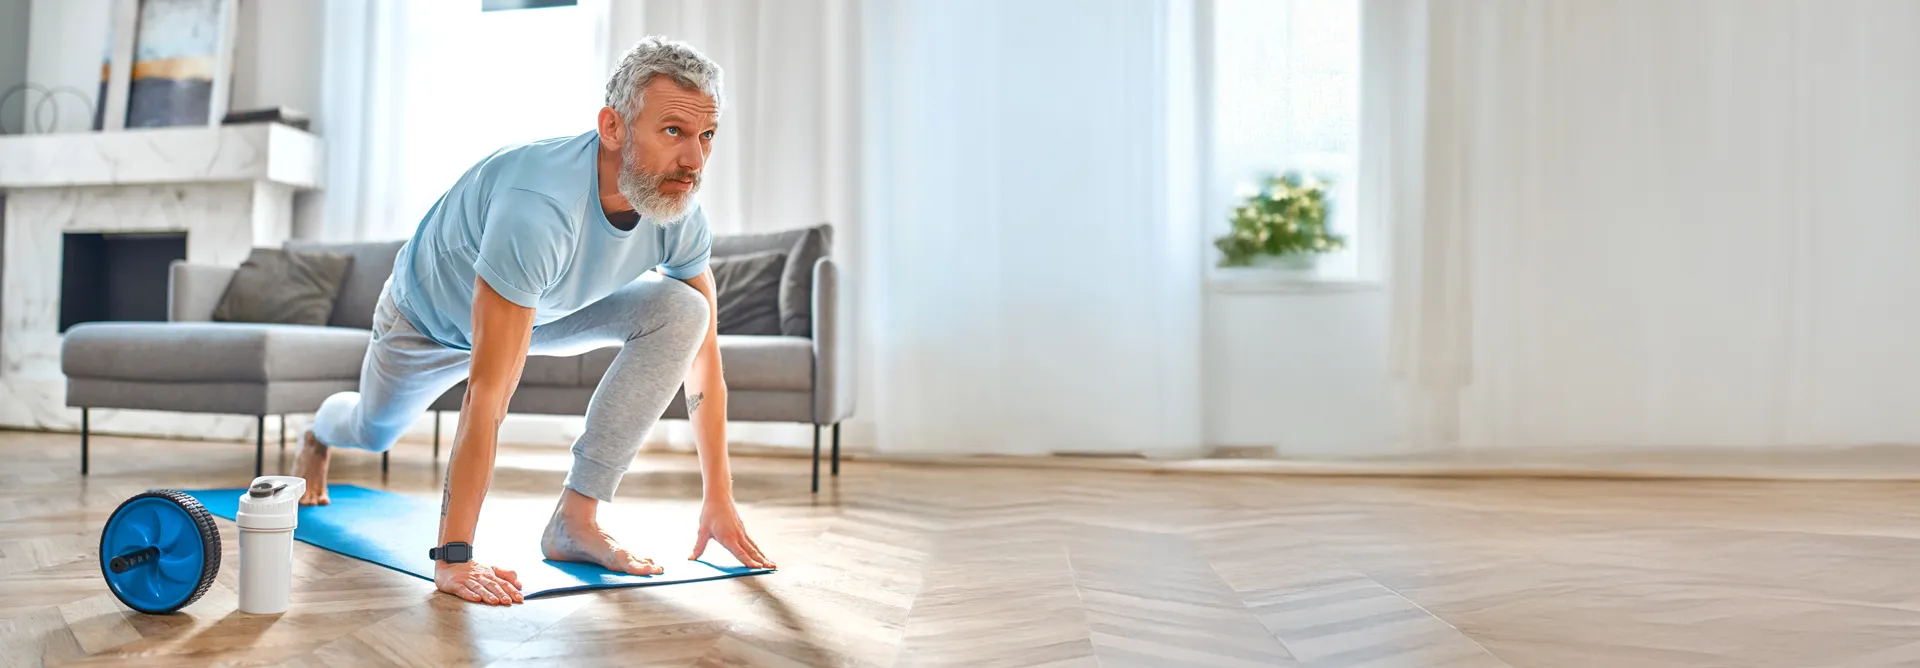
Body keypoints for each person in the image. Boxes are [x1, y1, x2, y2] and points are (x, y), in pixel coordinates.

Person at [291, 36, 774, 606]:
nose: (694, 160)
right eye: (673, 131)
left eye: (705, 136)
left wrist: (719, 496)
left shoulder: (679, 213)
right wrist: (453, 556)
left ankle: (577, 517)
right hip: (425, 324)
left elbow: (705, 365)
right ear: (613, 127)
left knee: (683, 310)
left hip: (544, 307)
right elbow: (488, 392)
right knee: (372, 432)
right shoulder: (538, 205)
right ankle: (318, 435)